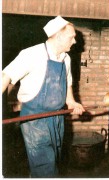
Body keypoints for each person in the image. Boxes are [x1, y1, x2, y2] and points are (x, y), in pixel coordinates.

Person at [2, 16, 85, 177]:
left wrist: (71, 102)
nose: (74, 41)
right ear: (59, 36)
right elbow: (5, 76)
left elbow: (67, 82)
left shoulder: (66, 58)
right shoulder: (32, 54)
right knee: (45, 167)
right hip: (35, 120)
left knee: (54, 161)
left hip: (57, 118)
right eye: (71, 37)